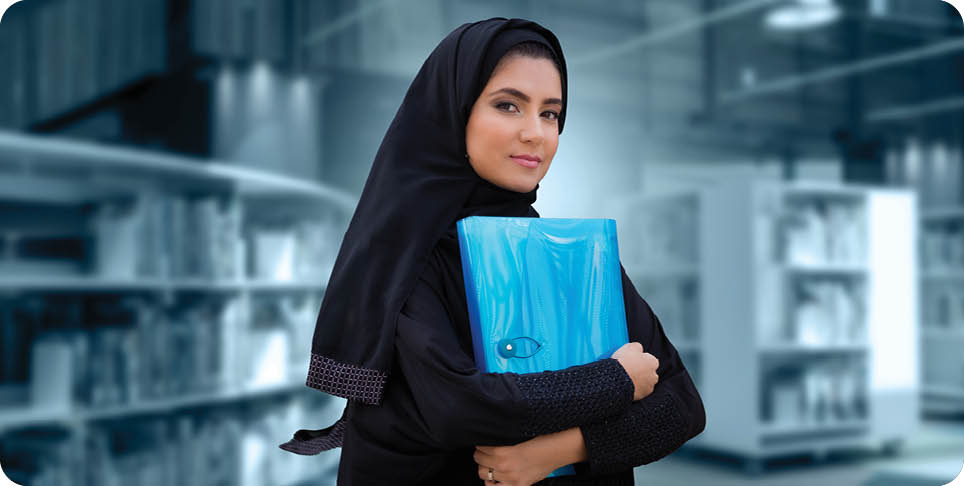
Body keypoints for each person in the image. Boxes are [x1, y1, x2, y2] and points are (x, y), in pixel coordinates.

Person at [280, 17, 705, 485]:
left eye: (550, 113)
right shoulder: (406, 257)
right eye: (508, 105)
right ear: (454, 112)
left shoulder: (574, 253)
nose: (536, 134)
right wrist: (616, 381)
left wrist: (562, 449)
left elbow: (683, 405)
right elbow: (462, 408)